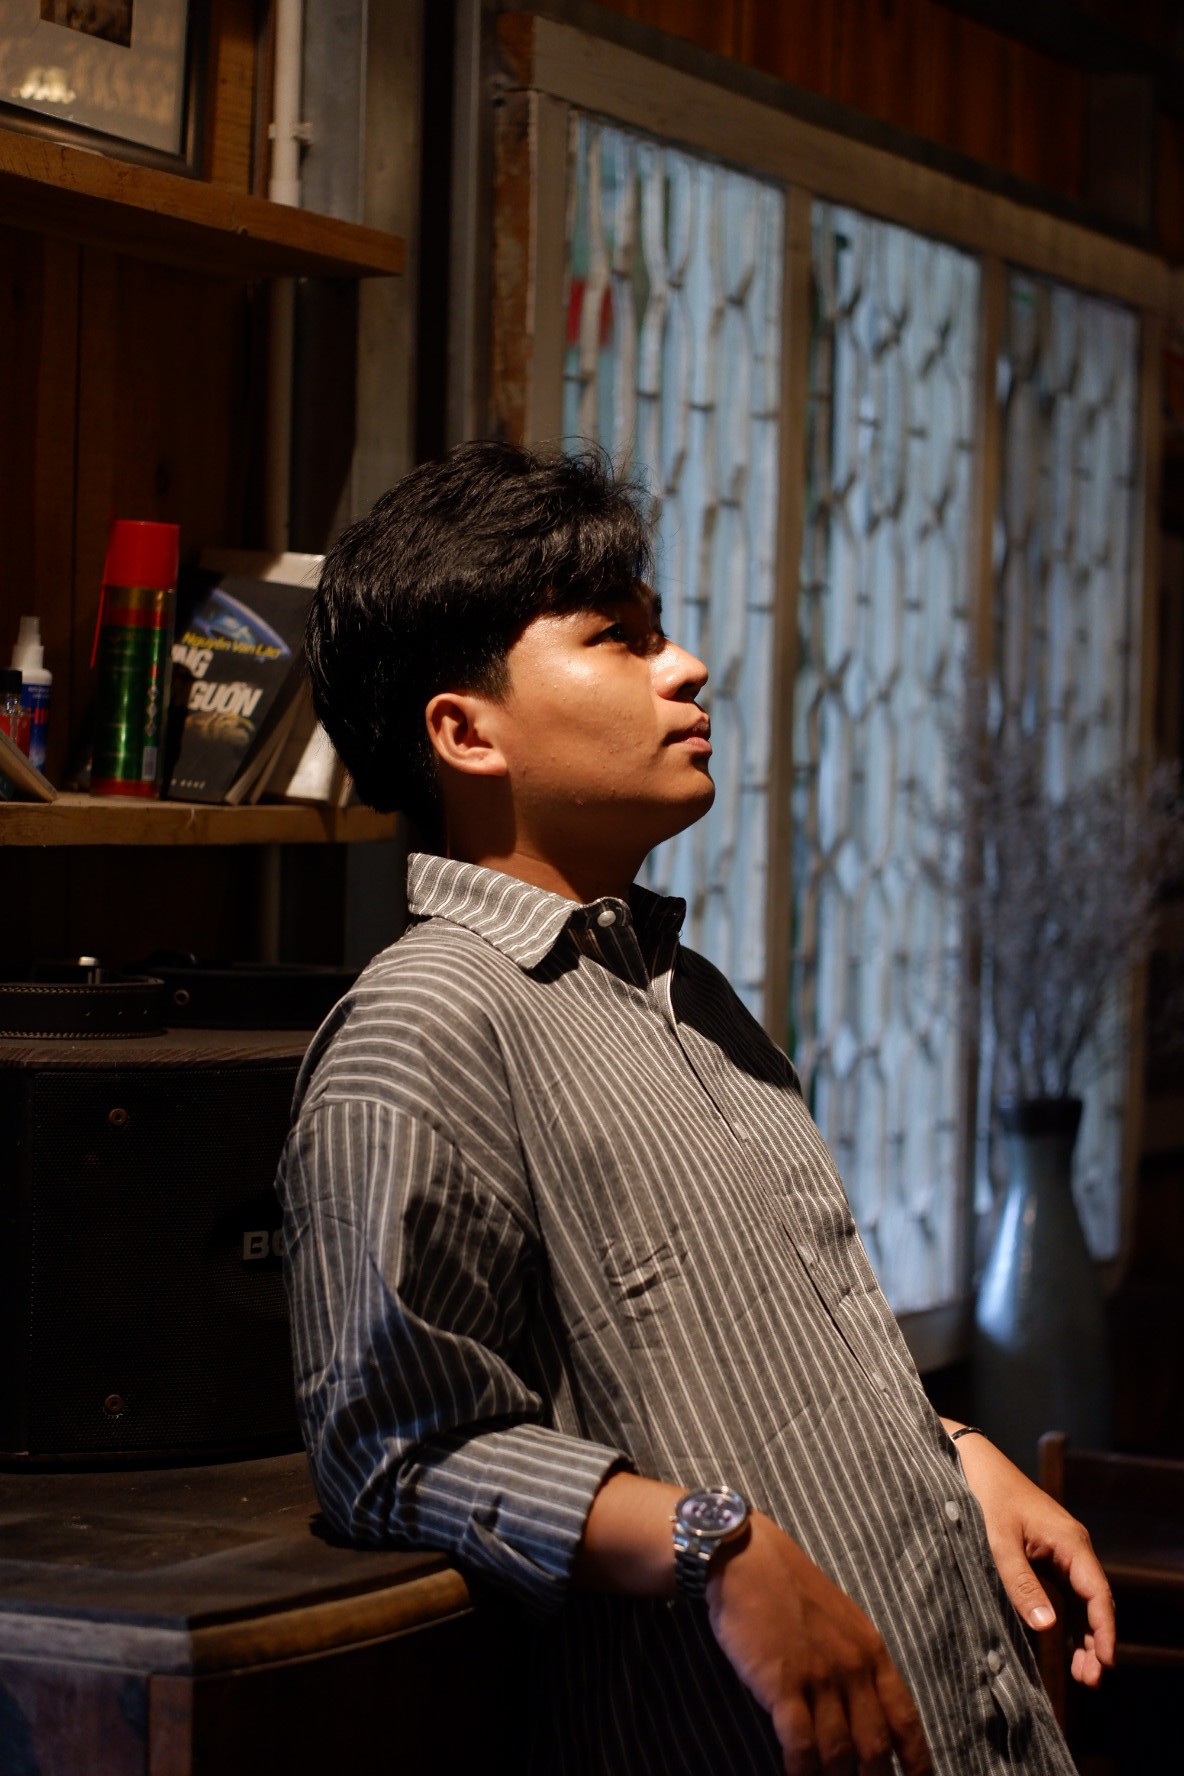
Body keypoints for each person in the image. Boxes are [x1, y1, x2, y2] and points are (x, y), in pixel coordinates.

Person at [277, 439, 1114, 1775]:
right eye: (619, 638)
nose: (689, 667)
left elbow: (768, 1360)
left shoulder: (691, 991)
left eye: (661, 630)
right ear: (465, 731)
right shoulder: (427, 1021)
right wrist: (710, 1541)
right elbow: (391, 1447)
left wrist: (950, 1451)